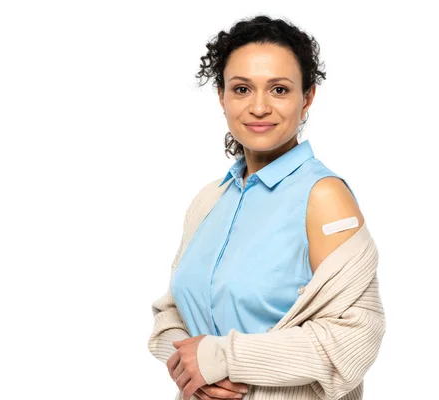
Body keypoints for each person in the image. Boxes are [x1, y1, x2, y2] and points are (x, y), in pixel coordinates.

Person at [148, 14, 385, 400]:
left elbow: (354, 340)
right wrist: (191, 368)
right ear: (221, 97)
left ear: (307, 97)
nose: (259, 107)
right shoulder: (210, 200)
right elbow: (170, 312)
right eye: (242, 89)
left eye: (278, 89)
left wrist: (219, 358)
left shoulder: (323, 196)